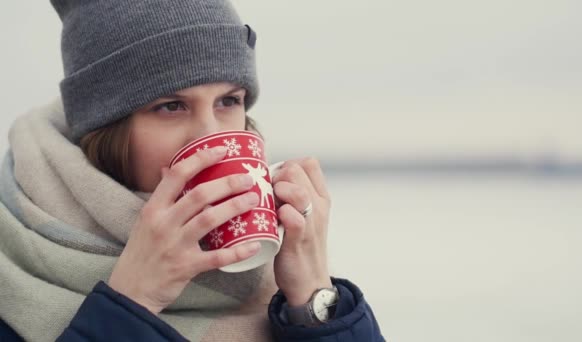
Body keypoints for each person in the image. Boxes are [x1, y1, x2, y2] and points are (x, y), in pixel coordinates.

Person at [0, 0, 384, 341]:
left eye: (229, 101)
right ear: (105, 131)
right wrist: (133, 300)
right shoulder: (12, 269)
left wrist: (316, 303)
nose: (213, 137)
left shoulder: (273, 280)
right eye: (171, 106)